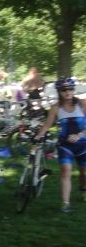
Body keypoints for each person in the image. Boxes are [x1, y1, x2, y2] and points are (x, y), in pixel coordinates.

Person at [34, 77, 86, 213]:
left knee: (84, 172)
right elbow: (47, 125)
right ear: (59, 92)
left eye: (70, 89)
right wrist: (37, 137)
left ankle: (83, 189)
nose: (67, 92)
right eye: (64, 90)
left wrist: (79, 135)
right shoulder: (55, 108)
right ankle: (65, 203)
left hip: (83, 144)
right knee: (65, 170)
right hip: (65, 145)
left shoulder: (82, 103)